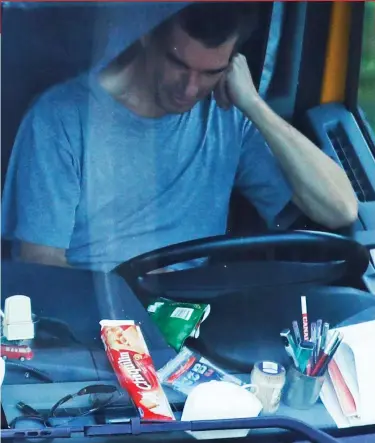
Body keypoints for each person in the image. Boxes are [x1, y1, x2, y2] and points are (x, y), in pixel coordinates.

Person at [2, 3, 358, 272]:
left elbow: (340, 208)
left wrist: (254, 106)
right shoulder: (60, 118)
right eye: (179, 64)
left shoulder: (229, 113)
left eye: (210, 72)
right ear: (146, 34)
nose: (190, 88)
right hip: (101, 325)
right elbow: (41, 264)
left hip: (200, 320)